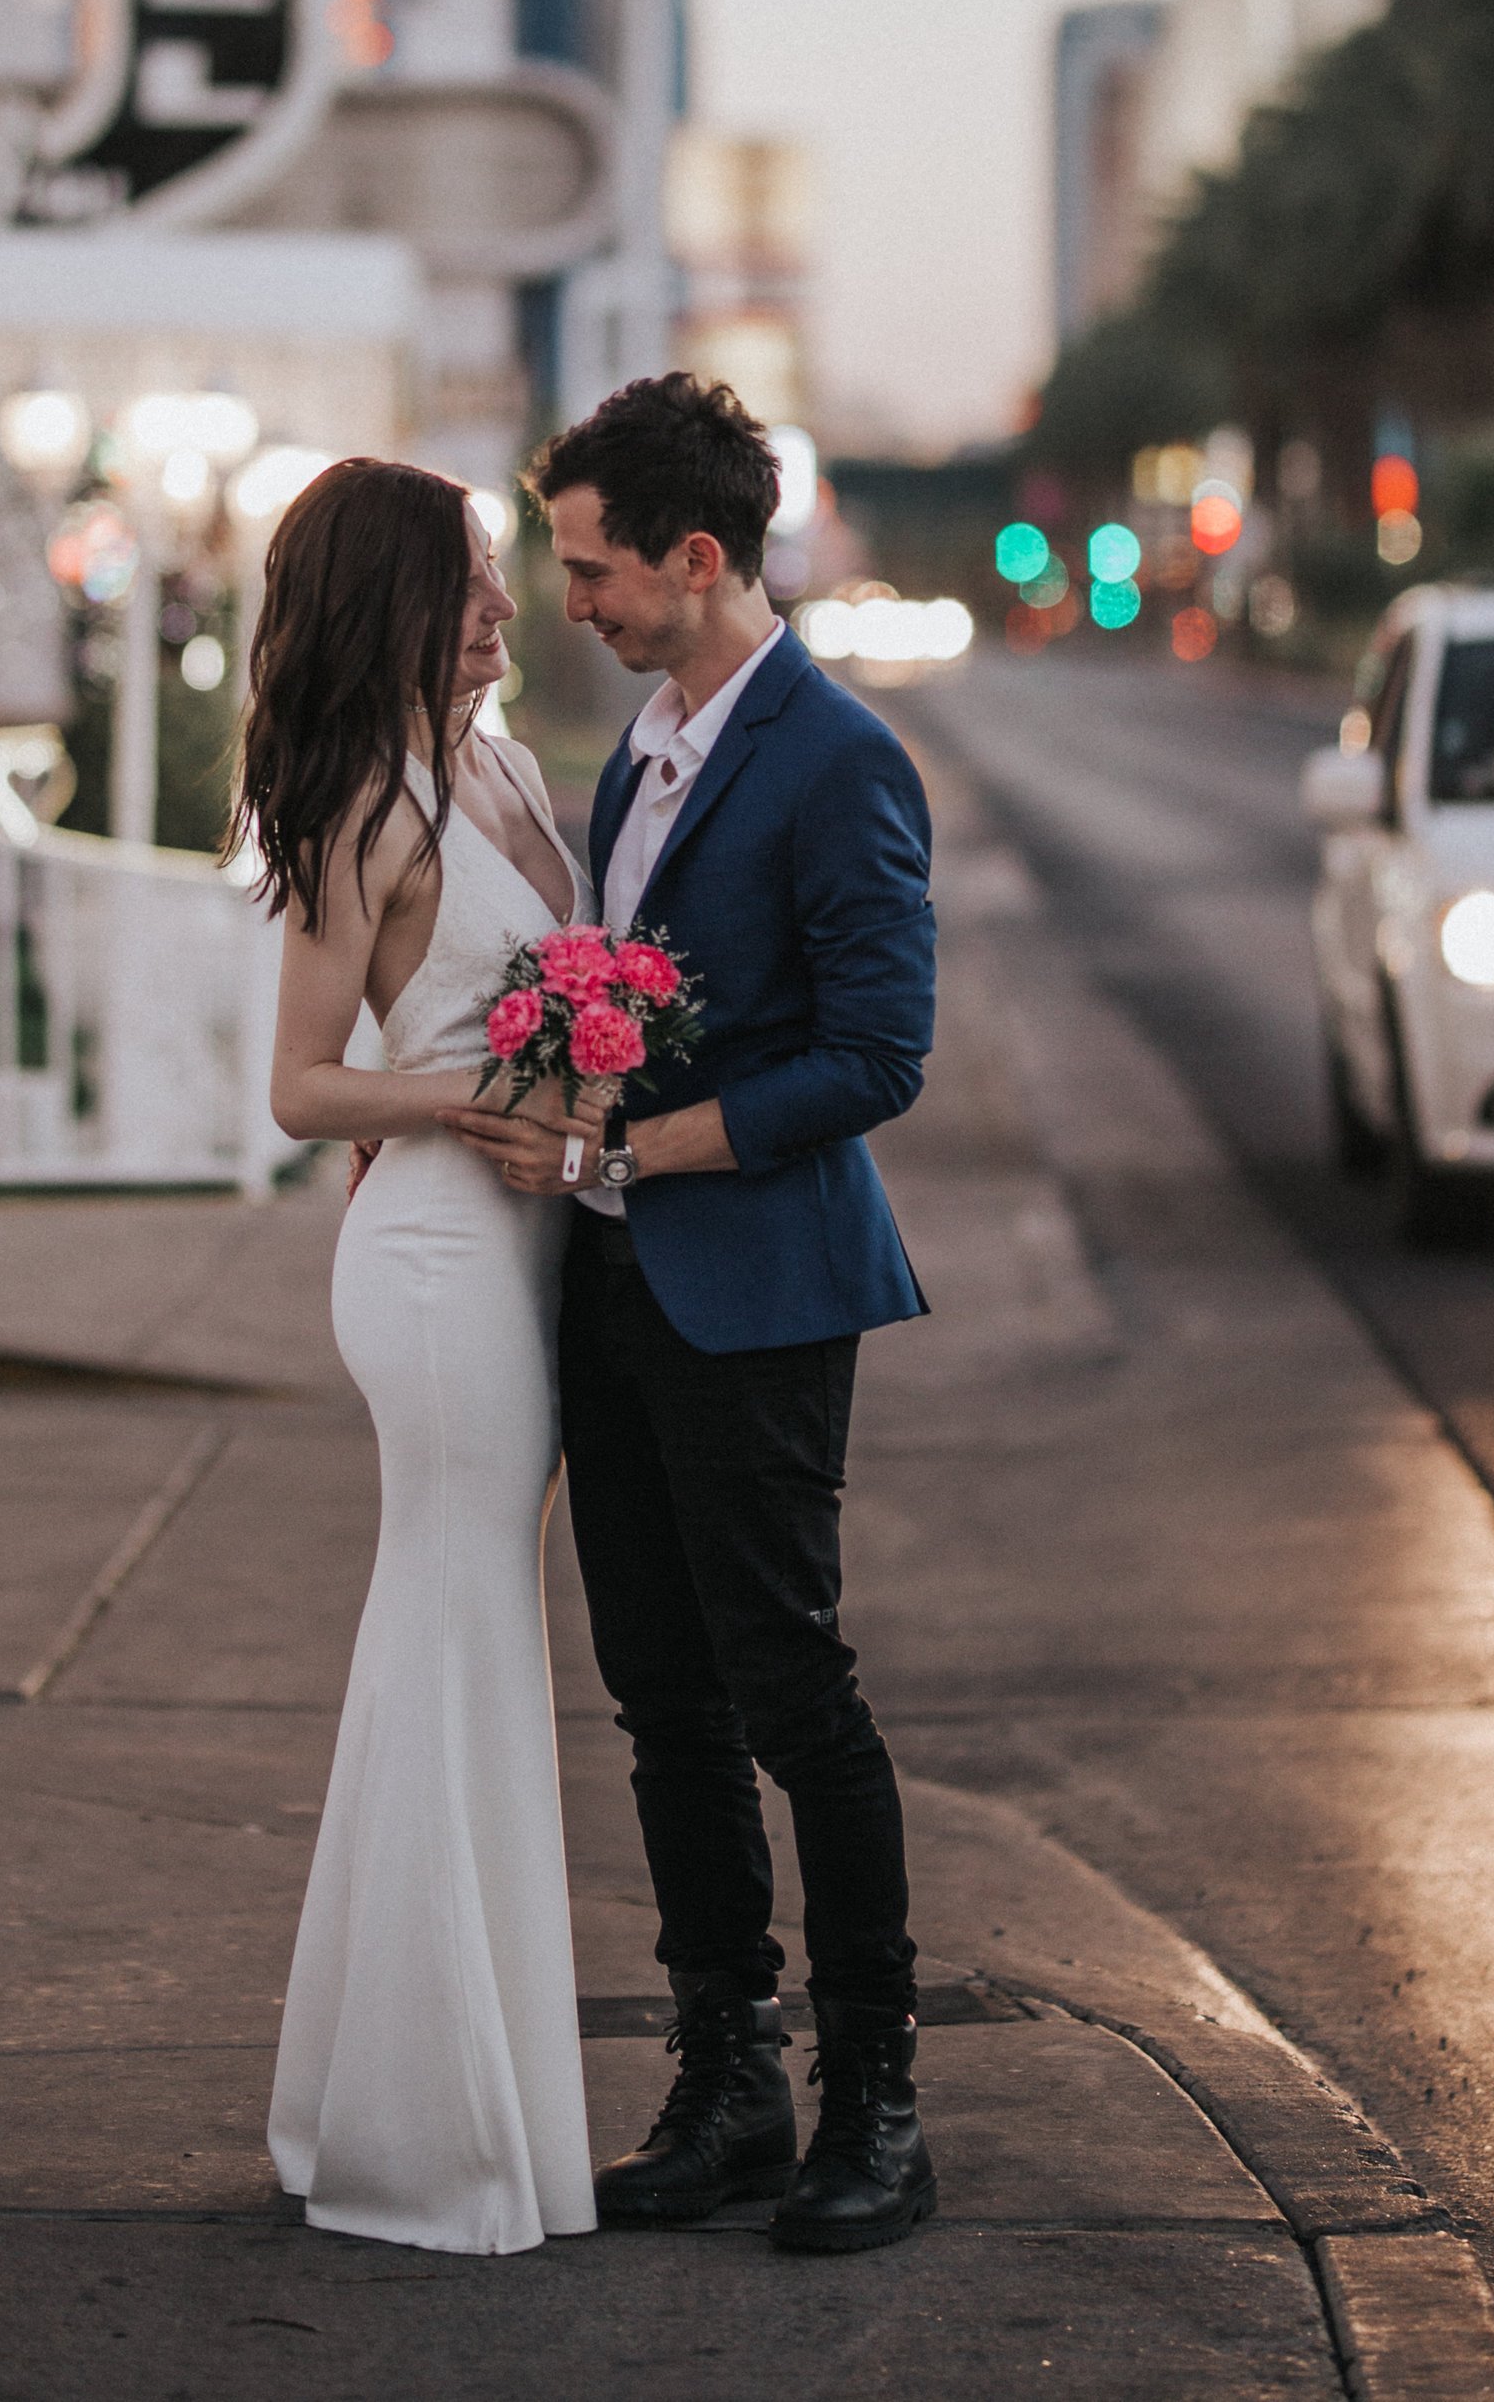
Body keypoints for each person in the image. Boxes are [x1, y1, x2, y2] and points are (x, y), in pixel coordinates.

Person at [443, 374, 940, 2254]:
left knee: (795, 1692)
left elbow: (878, 1054)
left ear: (699, 556)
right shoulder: (640, 748)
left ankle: (875, 2103)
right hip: (618, 1288)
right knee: (660, 1700)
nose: (572, 599)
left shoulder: (837, 760)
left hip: (759, 1289)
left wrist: (645, 1154)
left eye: (593, 568)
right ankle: (726, 2075)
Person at [241, 456, 597, 2257]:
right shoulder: (366, 806)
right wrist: (469, 1096)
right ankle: (428, 2136)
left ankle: (367, 2097)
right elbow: (304, 1081)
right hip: (441, 1261)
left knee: (453, 1644)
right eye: (466, 579)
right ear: (392, 597)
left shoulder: (508, 766)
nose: (501, 605)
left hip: (531, 1241)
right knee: (457, 1637)